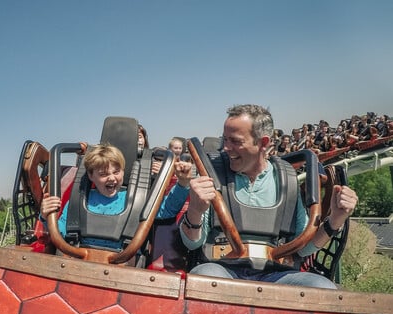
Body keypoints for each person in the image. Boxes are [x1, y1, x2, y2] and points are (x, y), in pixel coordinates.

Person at [173, 104, 358, 289]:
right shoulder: (212, 173)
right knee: (206, 278)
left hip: (276, 273)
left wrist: (336, 219)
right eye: (225, 139)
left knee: (322, 287)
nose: (226, 148)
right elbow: (192, 243)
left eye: (235, 141)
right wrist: (195, 211)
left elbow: (303, 248)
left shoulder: (287, 179)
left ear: (263, 142)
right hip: (223, 269)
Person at [40, 143, 191, 251]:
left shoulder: (136, 201)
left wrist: (183, 183)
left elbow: (168, 210)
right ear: (91, 176)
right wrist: (46, 217)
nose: (112, 178)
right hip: (81, 259)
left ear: (123, 172)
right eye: (104, 174)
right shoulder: (79, 201)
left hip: (122, 262)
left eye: (116, 172)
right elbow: (59, 234)